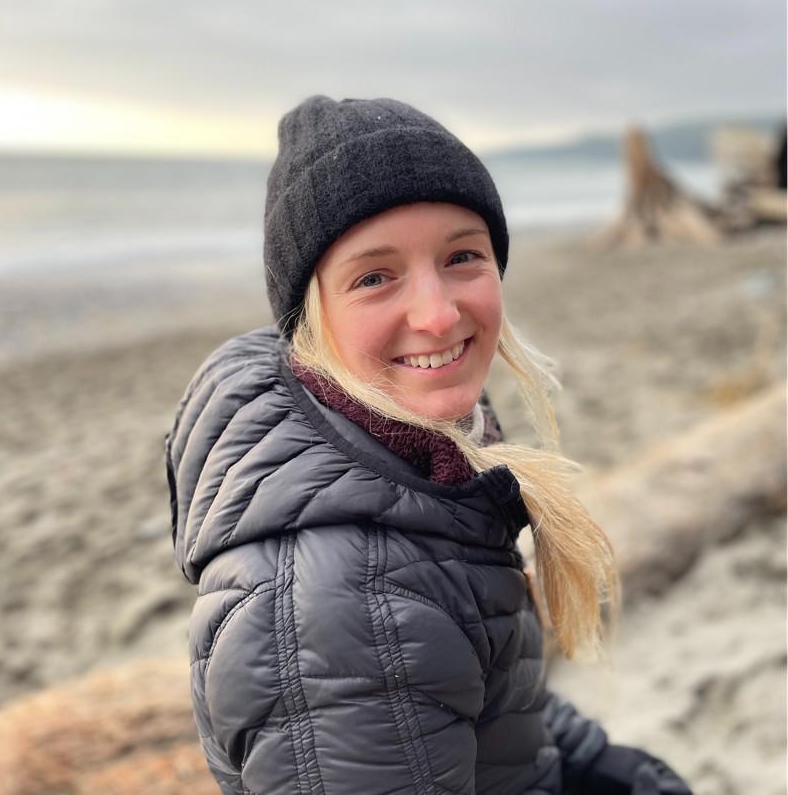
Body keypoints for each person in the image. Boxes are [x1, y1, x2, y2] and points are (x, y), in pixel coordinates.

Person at [165, 95, 691, 795]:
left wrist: (603, 769)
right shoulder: (343, 610)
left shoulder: (420, 463)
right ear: (310, 319)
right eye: (374, 277)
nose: (439, 314)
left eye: (461, 256)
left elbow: (494, 703)